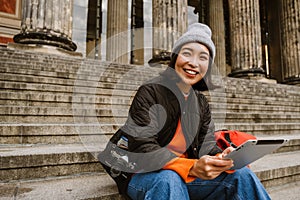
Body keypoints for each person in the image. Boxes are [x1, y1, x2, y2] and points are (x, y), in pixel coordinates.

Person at [110, 23, 271, 200]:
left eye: (203, 57)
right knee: (169, 179)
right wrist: (191, 167)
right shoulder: (150, 91)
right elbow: (142, 147)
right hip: (144, 173)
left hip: (186, 174)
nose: (193, 63)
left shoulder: (201, 103)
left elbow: (207, 146)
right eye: (187, 53)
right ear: (175, 58)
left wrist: (221, 157)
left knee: (241, 175)